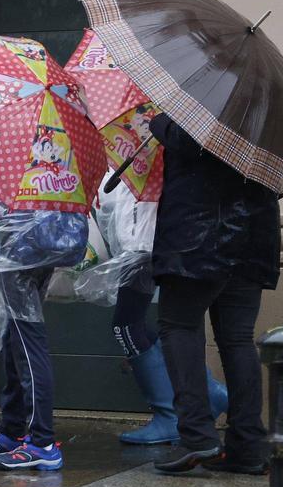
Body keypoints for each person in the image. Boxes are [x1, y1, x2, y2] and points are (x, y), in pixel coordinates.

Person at [148, 113, 279, 475]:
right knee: (237, 339)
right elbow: (278, 182)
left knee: (178, 326)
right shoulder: (271, 112)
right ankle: (249, 445)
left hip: (199, 235)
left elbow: (189, 142)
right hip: (253, 235)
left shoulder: (206, 98)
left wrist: (160, 122)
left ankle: (196, 436)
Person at [94, 175, 229, 445]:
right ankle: (209, 391)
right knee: (146, 324)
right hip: (154, 241)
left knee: (127, 326)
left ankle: (168, 415)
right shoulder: (152, 142)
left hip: (143, 244)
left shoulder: (147, 141)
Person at [0, 201, 85, 471]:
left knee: (28, 344)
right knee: (13, 339)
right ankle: (12, 428)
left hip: (16, 251)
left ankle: (42, 442)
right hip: (40, 243)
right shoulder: (54, 159)